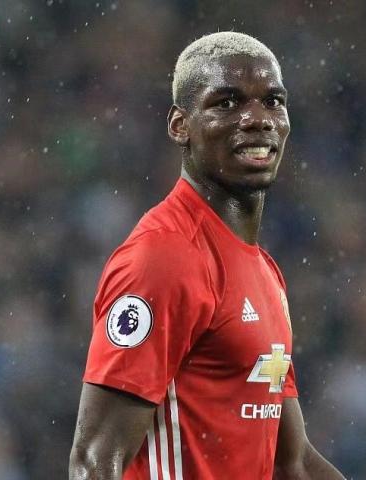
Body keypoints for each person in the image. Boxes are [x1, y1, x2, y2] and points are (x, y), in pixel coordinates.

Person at [69, 32, 345, 480]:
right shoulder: (164, 259)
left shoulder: (264, 272)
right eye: (227, 103)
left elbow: (292, 463)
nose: (258, 119)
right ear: (180, 126)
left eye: (273, 101)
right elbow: (94, 462)